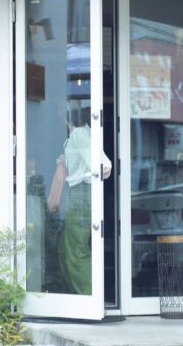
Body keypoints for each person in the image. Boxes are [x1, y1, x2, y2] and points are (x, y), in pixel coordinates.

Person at [48, 114, 111, 295]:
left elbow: (102, 167)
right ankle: (76, 296)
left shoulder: (79, 134)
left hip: (81, 193)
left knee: (76, 250)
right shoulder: (80, 135)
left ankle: (88, 296)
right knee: (64, 249)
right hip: (79, 194)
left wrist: (80, 175)